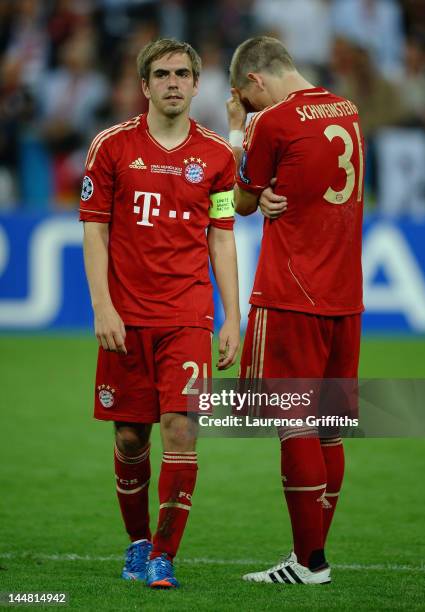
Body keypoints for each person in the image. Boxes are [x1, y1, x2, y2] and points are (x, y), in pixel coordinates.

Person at [80, 38, 240, 589]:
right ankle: (138, 542)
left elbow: (222, 239)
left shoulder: (218, 156)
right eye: (162, 74)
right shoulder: (111, 148)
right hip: (126, 317)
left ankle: (164, 555)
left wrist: (232, 317)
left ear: (197, 85)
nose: (173, 82)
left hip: (187, 317)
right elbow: (94, 230)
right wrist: (103, 306)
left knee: (182, 428)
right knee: (130, 438)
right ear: (144, 85)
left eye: (182, 74)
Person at [227, 36, 364, 585]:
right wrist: (268, 193)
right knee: (328, 428)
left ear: (254, 83)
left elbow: (236, 201)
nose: (249, 106)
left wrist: (238, 127)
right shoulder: (346, 109)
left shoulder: (269, 122)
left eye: (246, 98)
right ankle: (313, 555)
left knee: (294, 425)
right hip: (345, 296)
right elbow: (305, 179)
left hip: (291, 294)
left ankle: (309, 563)